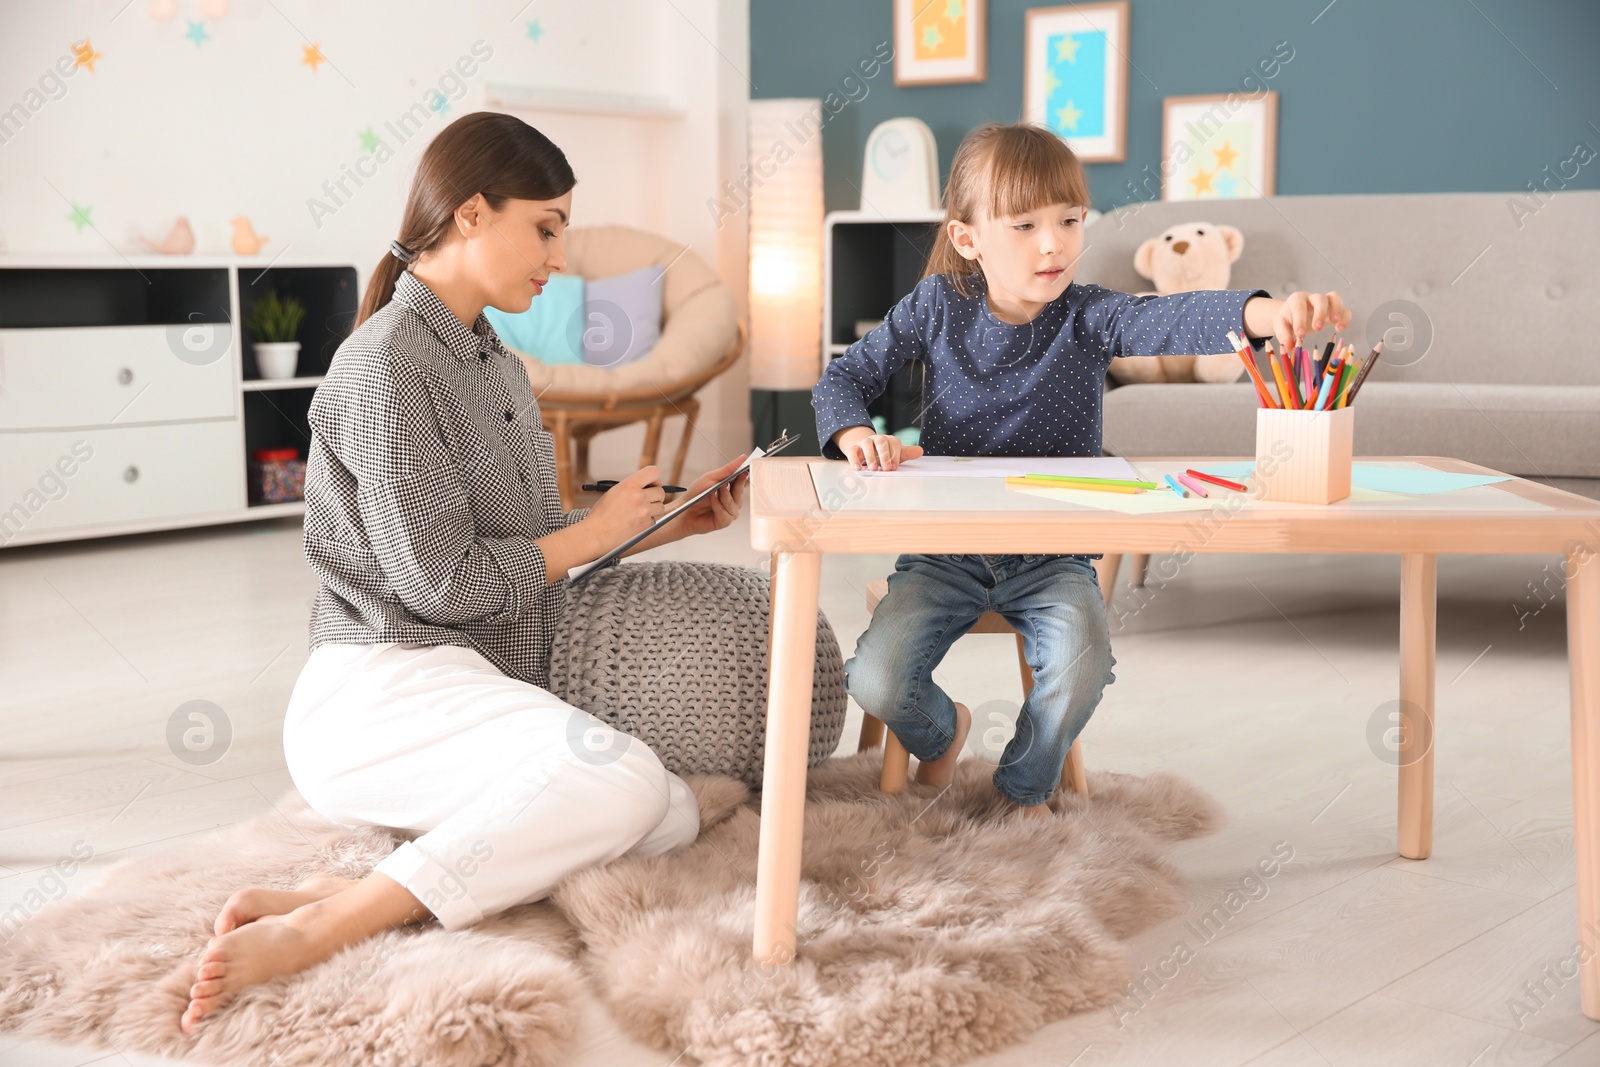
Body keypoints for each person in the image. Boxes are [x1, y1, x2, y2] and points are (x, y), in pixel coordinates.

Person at [181, 111, 747, 1033]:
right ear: (474, 214)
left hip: (458, 677)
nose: (559, 255)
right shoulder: (381, 370)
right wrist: (591, 529)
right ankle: (340, 918)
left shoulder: (496, 363)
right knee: (627, 787)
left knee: (670, 813)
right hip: (377, 688)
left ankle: (375, 878)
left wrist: (656, 527)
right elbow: (444, 584)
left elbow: (527, 543)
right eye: (547, 226)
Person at [812, 122, 1349, 818]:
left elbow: (1175, 318)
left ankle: (1021, 786)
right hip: (945, 554)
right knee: (877, 679)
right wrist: (855, 431)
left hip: (1052, 560)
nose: (1054, 242)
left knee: (1081, 666)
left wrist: (1268, 311)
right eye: (1026, 224)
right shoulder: (936, 307)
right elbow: (843, 377)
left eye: (1070, 220)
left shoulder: (1089, 317)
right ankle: (945, 733)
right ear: (968, 238)